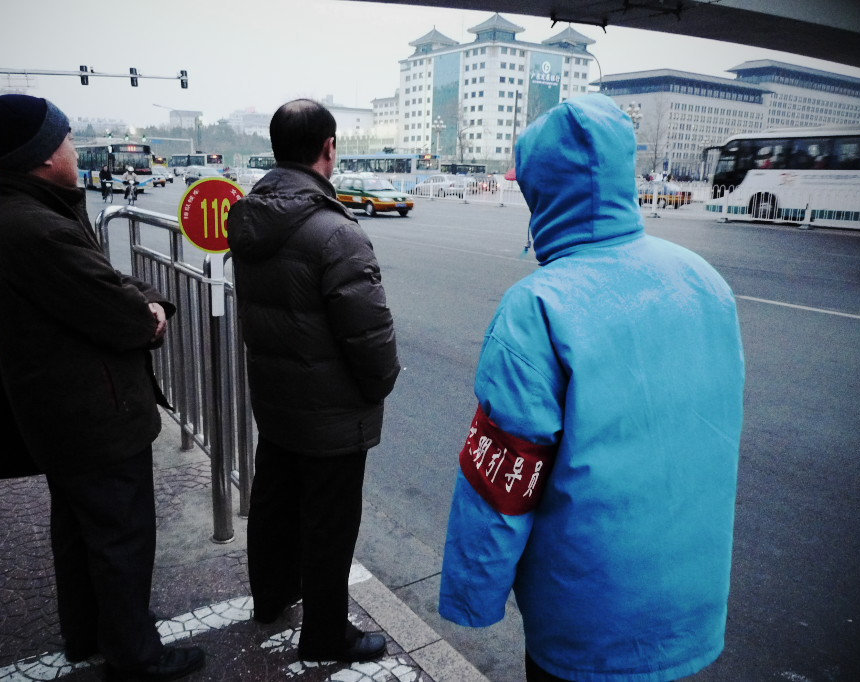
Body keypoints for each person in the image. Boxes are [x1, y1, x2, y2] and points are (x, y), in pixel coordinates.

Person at [438, 94, 745, 682]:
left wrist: (474, 596)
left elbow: (502, 481)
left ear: (538, 191)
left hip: (585, 618)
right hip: (691, 600)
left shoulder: (539, 306)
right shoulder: (705, 282)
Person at [0, 94, 204, 681]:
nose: (76, 150)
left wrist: (138, 298)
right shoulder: (36, 228)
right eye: (69, 140)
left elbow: (103, 283)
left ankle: (88, 634)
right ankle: (135, 656)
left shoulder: (21, 214)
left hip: (62, 412)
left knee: (82, 533)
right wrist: (150, 312)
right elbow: (122, 313)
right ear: (45, 155)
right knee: (120, 537)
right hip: (92, 415)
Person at [227, 98, 400, 663]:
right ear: (329, 148)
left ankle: (271, 599)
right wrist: (379, 386)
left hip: (277, 401)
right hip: (330, 415)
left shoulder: (249, 219)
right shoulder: (335, 232)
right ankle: (326, 637)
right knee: (329, 525)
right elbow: (370, 339)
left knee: (275, 504)